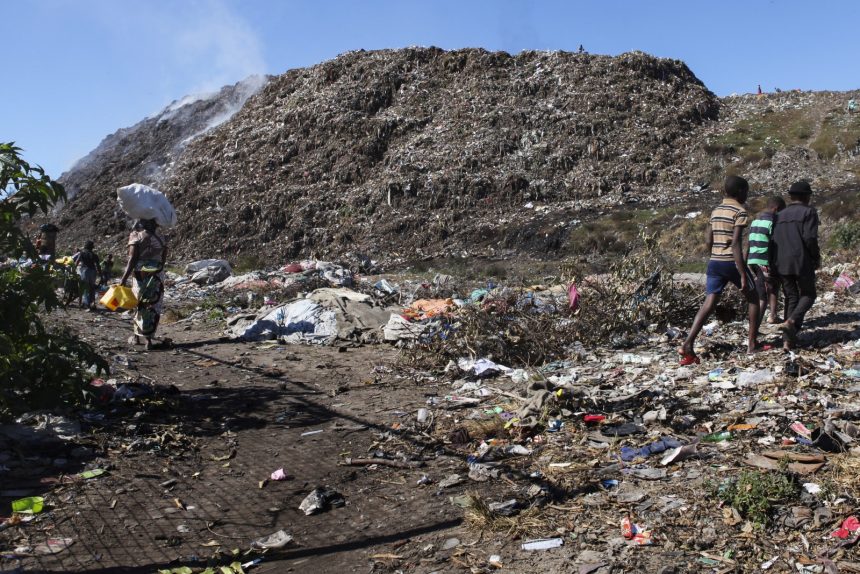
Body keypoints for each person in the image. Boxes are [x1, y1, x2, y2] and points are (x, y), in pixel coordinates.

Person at [679, 175, 760, 364]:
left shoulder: (716, 211)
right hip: (731, 262)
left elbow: (708, 240)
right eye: (746, 192)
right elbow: (736, 245)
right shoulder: (739, 212)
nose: (747, 195)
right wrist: (741, 273)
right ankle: (752, 344)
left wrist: (714, 254)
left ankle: (688, 343)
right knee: (754, 298)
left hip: (714, 262)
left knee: (709, 303)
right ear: (740, 192)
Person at [772, 181, 820, 350]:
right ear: (806, 197)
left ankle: (787, 341)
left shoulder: (779, 215)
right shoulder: (809, 212)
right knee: (808, 294)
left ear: (791, 196)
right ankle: (791, 321)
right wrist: (816, 257)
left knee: (791, 297)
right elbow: (810, 238)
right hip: (801, 260)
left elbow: (773, 240)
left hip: (781, 261)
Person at [119, 219, 168, 350]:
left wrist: (124, 278)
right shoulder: (161, 238)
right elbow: (163, 259)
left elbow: (132, 258)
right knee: (153, 305)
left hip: (141, 275)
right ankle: (149, 339)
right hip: (157, 275)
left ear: (143, 223)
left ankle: (137, 337)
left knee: (139, 305)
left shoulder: (136, 236)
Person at [747, 196, 786, 327]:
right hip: (765, 261)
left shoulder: (755, 222)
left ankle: (773, 315)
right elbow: (774, 244)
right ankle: (755, 327)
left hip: (753, 259)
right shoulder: (773, 222)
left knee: (773, 285)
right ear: (776, 209)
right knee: (763, 294)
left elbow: (748, 243)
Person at [72, 241, 101, 310]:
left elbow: (76, 262)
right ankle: (92, 303)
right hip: (93, 271)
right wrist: (101, 275)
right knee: (92, 287)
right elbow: (98, 266)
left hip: (85, 271)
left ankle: (86, 304)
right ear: (92, 247)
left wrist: (73, 271)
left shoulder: (82, 253)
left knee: (85, 287)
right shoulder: (95, 255)